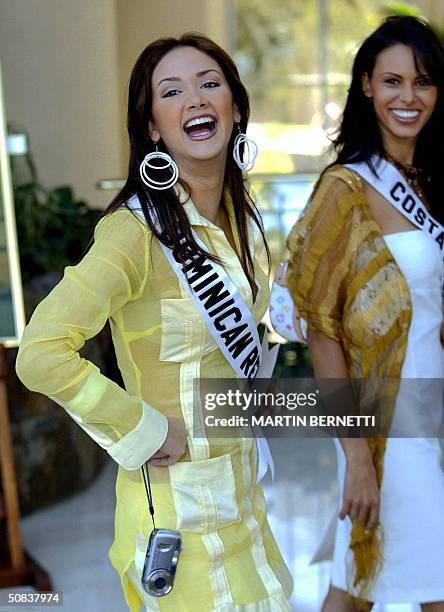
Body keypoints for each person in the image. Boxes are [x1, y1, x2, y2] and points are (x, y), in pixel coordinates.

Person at [15, 33, 293, 611]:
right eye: (173, 91)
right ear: (152, 127)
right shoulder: (133, 233)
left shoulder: (241, 219)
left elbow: (240, 328)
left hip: (244, 498)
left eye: (210, 84)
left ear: (235, 108)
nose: (195, 99)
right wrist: (140, 428)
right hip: (176, 515)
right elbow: (40, 353)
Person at [286, 15, 444, 612]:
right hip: (385, 421)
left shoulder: (432, 182)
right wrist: (356, 456)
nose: (409, 97)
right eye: (394, 81)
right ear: (366, 86)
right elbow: (321, 333)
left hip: (433, 409)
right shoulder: (343, 190)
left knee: (357, 581)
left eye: (424, 82)